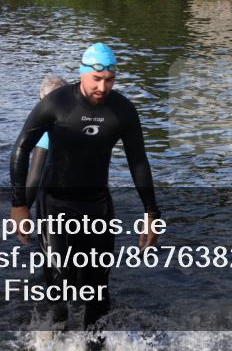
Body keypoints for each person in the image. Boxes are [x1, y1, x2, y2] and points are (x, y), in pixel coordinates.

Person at [10, 44, 160, 328]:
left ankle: (95, 345)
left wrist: (152, 214)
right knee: (60, 284)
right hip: (55, 204)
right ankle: (52, 343)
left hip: (97, 205)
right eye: (97, 79)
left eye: (109, 80)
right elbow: (21, 148)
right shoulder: (57, 103)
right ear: (82, 75)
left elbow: (138, 162)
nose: (103, 87)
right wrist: (19, 205)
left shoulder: (123, 110)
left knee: (98, 289)